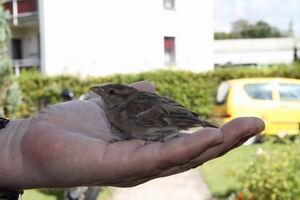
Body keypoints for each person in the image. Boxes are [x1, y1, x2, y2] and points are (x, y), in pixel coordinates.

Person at [0, 81, 265, 199]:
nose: (103, 95)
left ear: (121, 96)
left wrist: (14, 141)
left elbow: (166, 114)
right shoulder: (115, 110)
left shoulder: (129, 108)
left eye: (110, 92)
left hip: (171, 122)